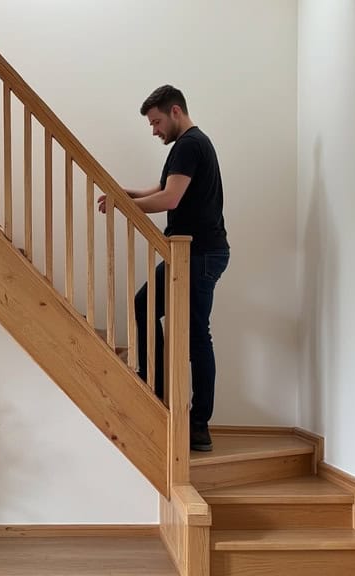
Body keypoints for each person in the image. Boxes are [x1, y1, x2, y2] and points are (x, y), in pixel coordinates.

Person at [98, 85, 230, 452]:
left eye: (156, 122)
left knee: (195, 335)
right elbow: (159, 188)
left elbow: (169, 199)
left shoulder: (190, 144)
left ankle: (199, 424)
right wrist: (121, 193)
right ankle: (157, 386)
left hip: (200, 254)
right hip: (192, 253)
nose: (154, 130)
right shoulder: (185, 147)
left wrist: (125, 207)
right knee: (145, 305)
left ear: (175, 112)